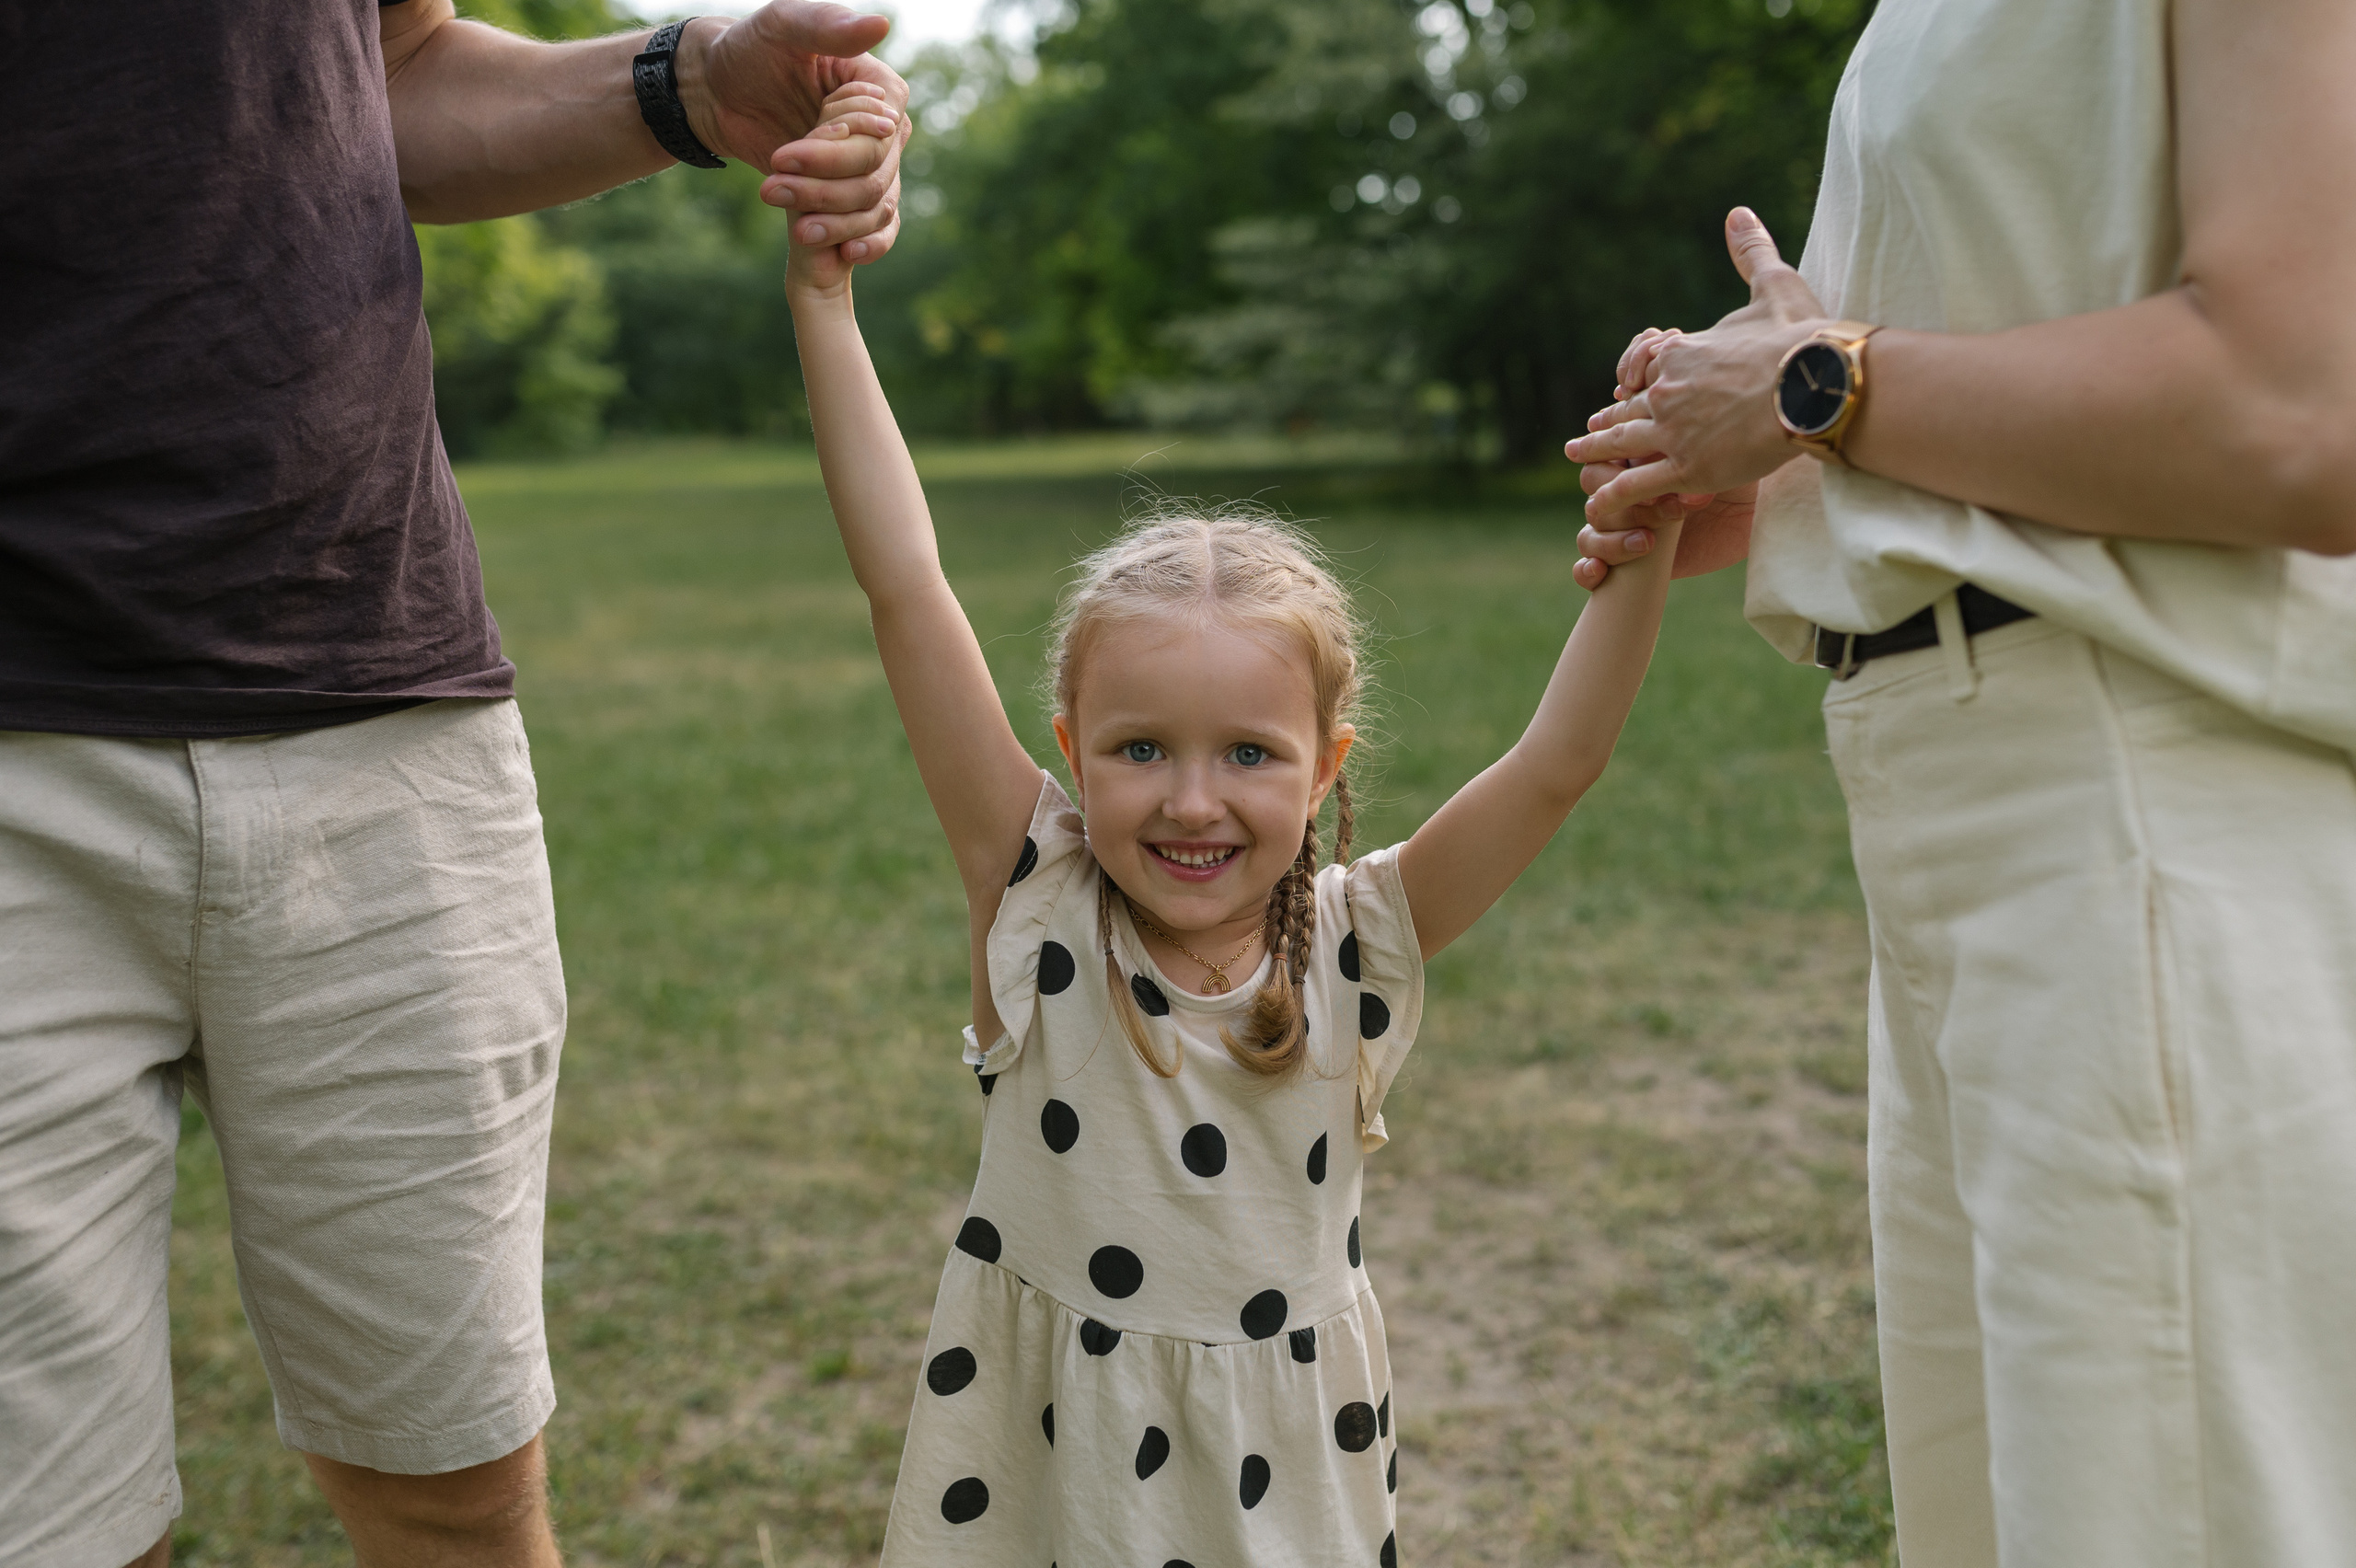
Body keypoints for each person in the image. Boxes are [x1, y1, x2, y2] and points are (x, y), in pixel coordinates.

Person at [0, 6, 907, 1566]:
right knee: (47, 1529)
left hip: (382, 718)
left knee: (459, 1498)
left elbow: (387, 75)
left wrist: (689, 83)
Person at [783, 92, 1681, 1564]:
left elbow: (1557, 763)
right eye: (1140, 749)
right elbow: (906, 585)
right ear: (1071, 753)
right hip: (1060, 1475)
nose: (1192, 801)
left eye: (1249, 755)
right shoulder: (1036, 889)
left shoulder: (1363, 939)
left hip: (1285, 1478)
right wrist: (827, 308)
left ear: (1326, 770)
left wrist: (1645, 529)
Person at [1564, 1, 2356, 1562]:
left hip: (2126, 802)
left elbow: (2299, 410)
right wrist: (1794, 469)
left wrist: (1813, 384)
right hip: (1960, 813)